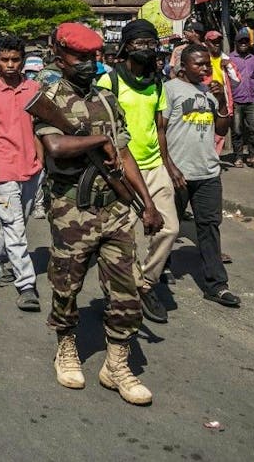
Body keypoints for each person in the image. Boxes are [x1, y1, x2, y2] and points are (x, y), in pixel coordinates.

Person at [33, 23, 161, 405]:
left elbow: (124, 154)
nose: (90, 64)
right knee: (67, 287)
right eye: (81, 57)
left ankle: (116, 363)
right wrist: (98, 140)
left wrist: (147, 203)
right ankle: (67, 347)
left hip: (116, 210)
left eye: (94, 57)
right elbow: (55, 146)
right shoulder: (49, 98)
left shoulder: (107, 100)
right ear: (61, 57)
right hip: (71, 210)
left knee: (127, 291)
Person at [96, 19, 179, 324]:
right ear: (127, 47)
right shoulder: (109, 83)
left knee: (169, 229)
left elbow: (159, 127)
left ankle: (144, 284)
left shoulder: (157, 83)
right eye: (141, 43)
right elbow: (102, 129)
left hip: (154, 165)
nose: (148, 48)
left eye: (151, 43)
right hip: (123, 169)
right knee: (126, 236)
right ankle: (124, 290)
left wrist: (168, 164)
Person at [161, 44, 240, 308]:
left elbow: (221, 128)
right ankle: (159, 268)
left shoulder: (209, 92)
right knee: (167, 227)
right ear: (184, 66)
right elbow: (159, 132)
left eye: (208, 64)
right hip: (178, 173)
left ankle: (216, 285)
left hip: (207, 171)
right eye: (200, 64)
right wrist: (170, 167)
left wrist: (220, 101)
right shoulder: (169, 90)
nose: (206, 69)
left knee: (209, 227)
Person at [0, 34, 45, 312]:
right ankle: (26, 285)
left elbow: (41, 126)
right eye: (5, 60)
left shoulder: (34, 89)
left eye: (15, 59)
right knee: (14, 227)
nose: (10, 65)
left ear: (23, 60)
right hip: (3, 169)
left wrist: (42, 159)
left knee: (18, 222)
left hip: (32, 167)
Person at [229, 28, 254, 168]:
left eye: (246, 41)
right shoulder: (229, 59)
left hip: (252, 98)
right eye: (240, 41)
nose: (243, 44)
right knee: (237, 130)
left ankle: (252, 156)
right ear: (236, 43)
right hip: (236, 99)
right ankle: (238, 157)